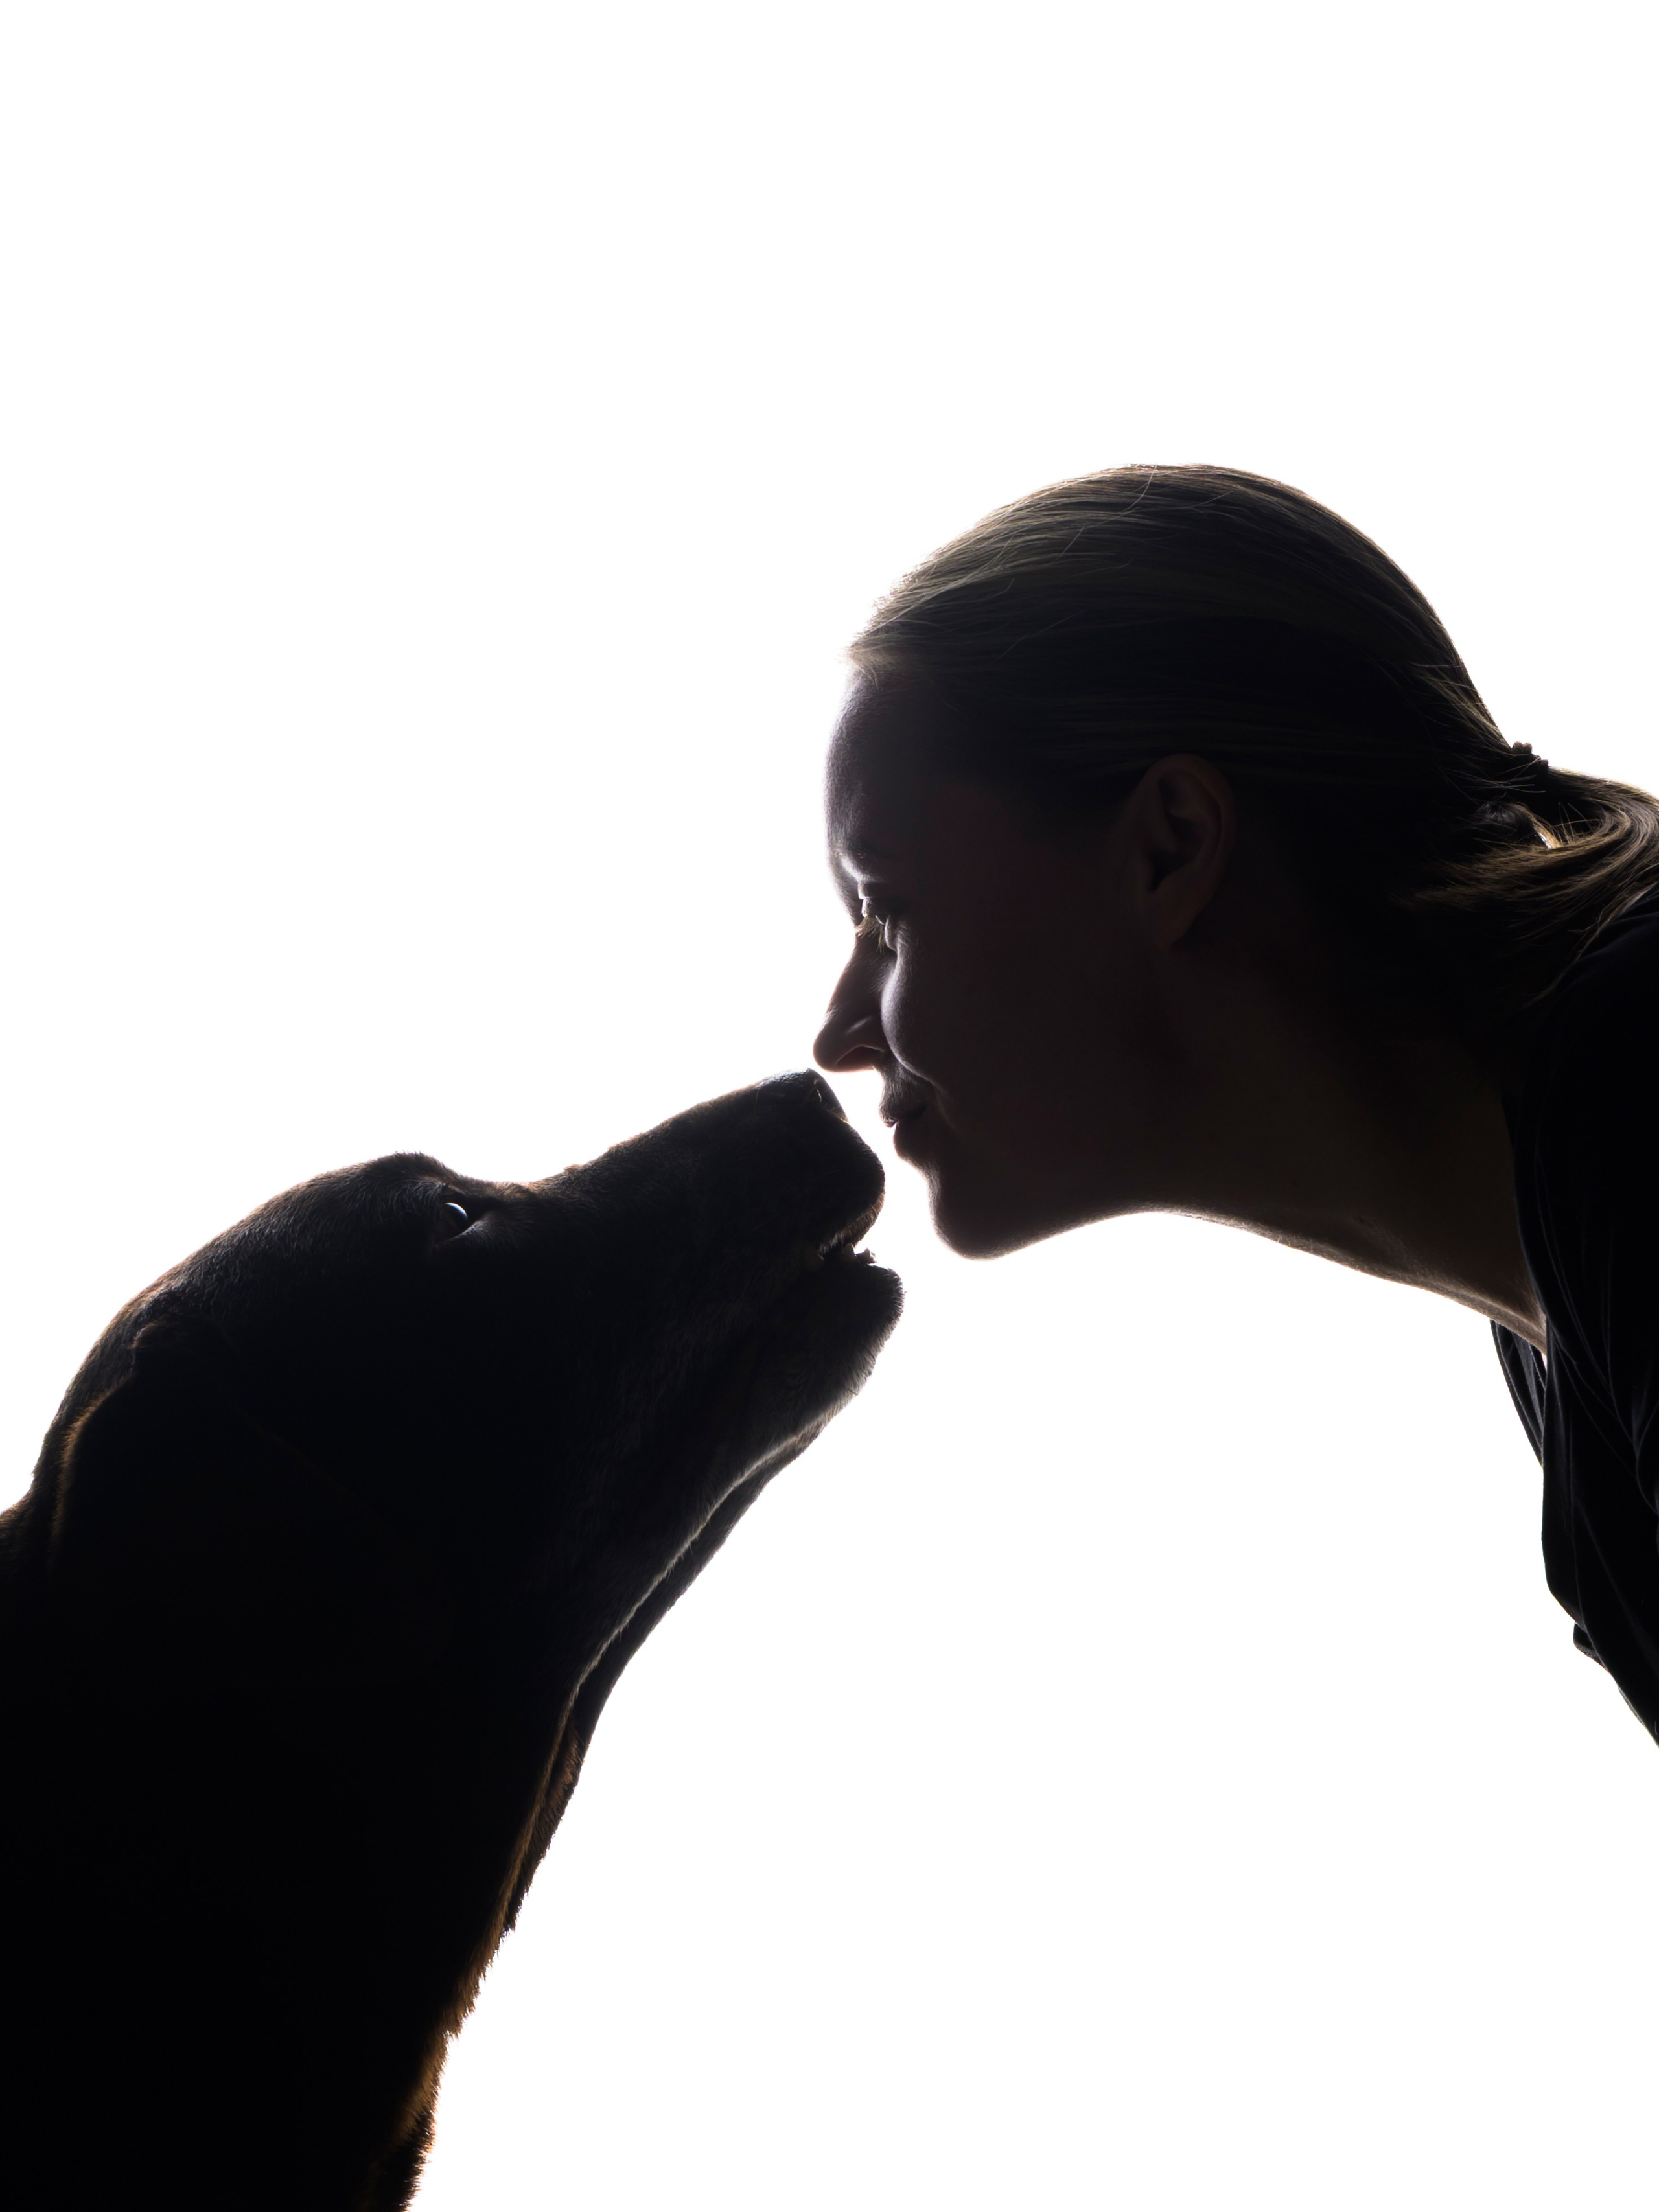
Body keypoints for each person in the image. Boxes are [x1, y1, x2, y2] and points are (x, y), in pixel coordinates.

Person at [813, 464, 1659, 1741]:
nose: (836, 1033)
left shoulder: (1639, 1101)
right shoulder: (1561, 1287)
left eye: (885, 911)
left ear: (1169, 845)